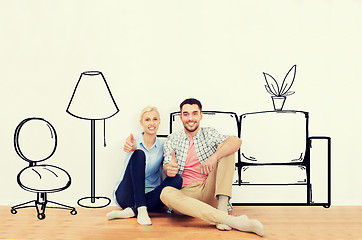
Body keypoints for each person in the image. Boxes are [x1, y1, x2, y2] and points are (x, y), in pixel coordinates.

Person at [160, 98, 264, 236]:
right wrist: (169, 168)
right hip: (187, 194)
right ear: (181, 117)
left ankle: (222, 209)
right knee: (165, 193)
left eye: (194, 113)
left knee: (227, 147)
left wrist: (214, 157)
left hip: (209, 188)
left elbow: (236, 141)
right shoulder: (172, 139)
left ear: (201, 115)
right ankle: (231, 220)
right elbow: (167, 165)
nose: (190, 118)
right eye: (186, 114)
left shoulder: (209, 133)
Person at [107, 106, 183, 225]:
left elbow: (168, 166)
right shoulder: (134, 140)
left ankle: (132, 211)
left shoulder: (163, 146)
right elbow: (130, 143)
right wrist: (131, 146)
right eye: (147, 120)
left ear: (159, 122)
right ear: (141, 123)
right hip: (126, 195)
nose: (151, 123)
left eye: (155, 119)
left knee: (177, 179)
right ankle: (141, 209)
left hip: (150, 196)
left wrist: (170, 166)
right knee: (139, 154)